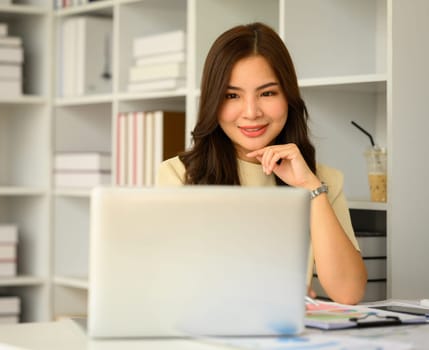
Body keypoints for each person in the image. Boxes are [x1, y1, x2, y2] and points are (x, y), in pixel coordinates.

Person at [155, 22, 367, 305]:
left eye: (267, 93)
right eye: (232, 96)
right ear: (212, 102)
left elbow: (348, 293)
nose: (251, 112)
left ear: (288, 97)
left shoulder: (323, 179)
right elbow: (171, 290)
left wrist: (311, 187)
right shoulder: (179, 175)